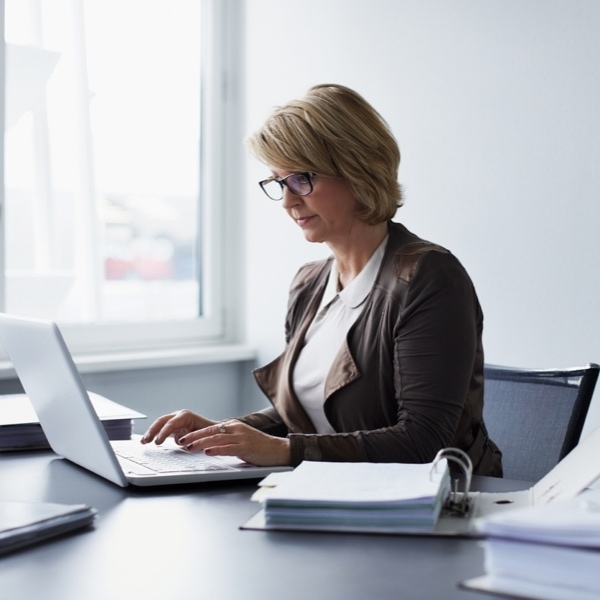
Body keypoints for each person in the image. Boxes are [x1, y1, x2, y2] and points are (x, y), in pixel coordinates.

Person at [141, 83, 503, 476]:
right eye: (278, 182)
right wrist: (223, 433)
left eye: (301, 179)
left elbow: (423, 441)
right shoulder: (309, 283)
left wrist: (283, 451)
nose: (287, 201)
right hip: (335, 492)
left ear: (357, 170)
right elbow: (301, 416)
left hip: (421, 508)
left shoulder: (429, 276)